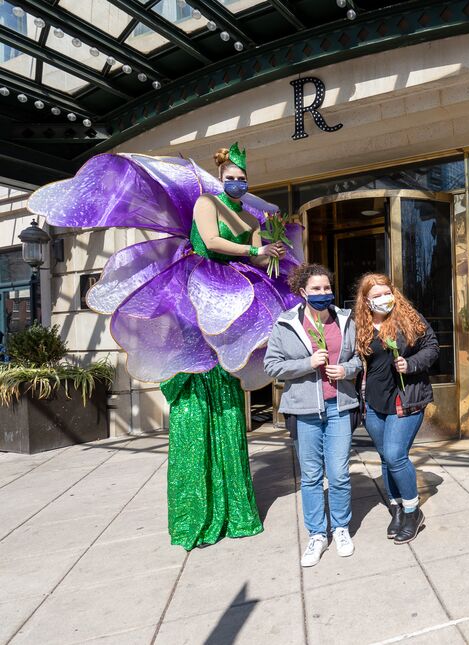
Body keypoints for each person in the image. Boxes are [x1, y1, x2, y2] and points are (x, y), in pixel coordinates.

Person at [28, 144, 302, 550]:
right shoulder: (208, 203)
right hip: (197, 287)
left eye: (242, 178)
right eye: (230, 177)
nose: (237, 183)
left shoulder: (249, 215)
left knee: (226, 396)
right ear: (219, 178)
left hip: (230, 294)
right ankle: (196, 514)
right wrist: (253, 250)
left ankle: (233, 511)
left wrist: (272, 253)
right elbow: (210, 242)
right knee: (193, 397)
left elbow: (259, 258)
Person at [265, 263, 363, 567]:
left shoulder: (346, 320)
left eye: (327, 288)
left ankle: (341, 527)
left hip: (339, 407)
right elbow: (272, 366)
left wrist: (346, 369)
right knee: (310, 476)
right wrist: (308, 362)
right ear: (302, 292)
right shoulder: (285, 324)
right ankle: (317, 534)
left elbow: (359, 359)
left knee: (339, 474)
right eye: (316, 289)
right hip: (304, 410)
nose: (323, 293)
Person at [354, 272, 439, 544]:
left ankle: (413, 511)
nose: (383, 299)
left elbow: (432, 346)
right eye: (376, 296)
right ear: (366, 301)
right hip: (373, 403)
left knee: (395, 455)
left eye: (386, 292)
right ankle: (397, 509)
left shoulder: (408, 317)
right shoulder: (359, 325)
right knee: (384, 457)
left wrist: (410, 364)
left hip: (406, 399)